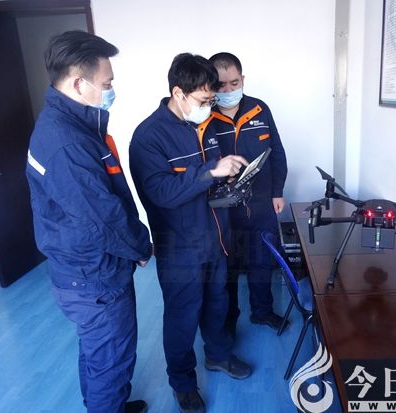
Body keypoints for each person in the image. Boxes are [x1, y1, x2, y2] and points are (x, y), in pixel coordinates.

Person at [26, 31, 152, 413]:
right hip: (94, 275)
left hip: (80, 268)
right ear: (80, 84)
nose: (111, 90)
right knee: (111, 362)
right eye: (107, 83)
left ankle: (107, 405)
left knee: (97, 353)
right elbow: (104, 219)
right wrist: (141, 246)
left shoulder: (67, 125)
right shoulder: (67, 143)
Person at [129, 53, 252, 413]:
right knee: (182, 318)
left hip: (215, 238)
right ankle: (183, 383)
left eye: (212, 99)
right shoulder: (148, 137)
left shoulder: (205, 125)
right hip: (179, 246)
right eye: (203, 100)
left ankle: (218, 355)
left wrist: (228, 177)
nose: (209, 106)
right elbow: (161, 193)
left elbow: (207, 180)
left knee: (218, 304)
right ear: (178, 93)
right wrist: (210, 172)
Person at [208, 52, 288, 335]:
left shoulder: (259, 109)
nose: (228, 90)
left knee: (261, 261)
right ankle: (228, 319)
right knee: (226, 267)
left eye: (234, 83)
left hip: (262, 203)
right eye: (221, 85)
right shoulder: (205, 116)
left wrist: (277, 191)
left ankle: (262, 312)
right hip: (224, 207)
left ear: (243, 79)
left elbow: (277, 152)